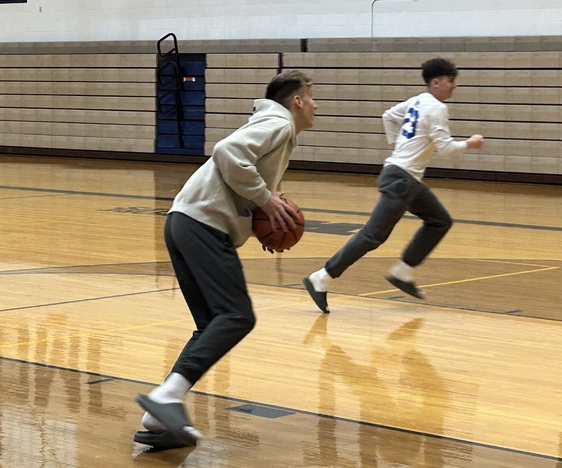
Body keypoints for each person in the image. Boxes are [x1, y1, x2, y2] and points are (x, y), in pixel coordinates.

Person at [133, 70, 316, 451]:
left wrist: (259, 216)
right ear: (297, 101)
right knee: (236, 316)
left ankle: (158, 418)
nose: (315, 106)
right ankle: (167, 398)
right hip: (202, 224)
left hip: (183, 222)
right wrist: (265, 200)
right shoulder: (278, 123)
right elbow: (227, 153)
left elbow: (240, 175)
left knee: (211, 326)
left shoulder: (275, 128)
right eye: (312, 97)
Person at [303, 58, 484, 312]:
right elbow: (445, 149)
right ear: (436, 82)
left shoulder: (417, 100)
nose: (454, 87)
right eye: (451, 81)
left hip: (404, 177)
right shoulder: (437, 108)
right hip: (402, 179)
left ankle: (403, 271)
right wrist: (470, 143)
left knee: (440, 220)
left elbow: (388, 116)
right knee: (372, 235)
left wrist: (395, 146)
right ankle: (321, 277)